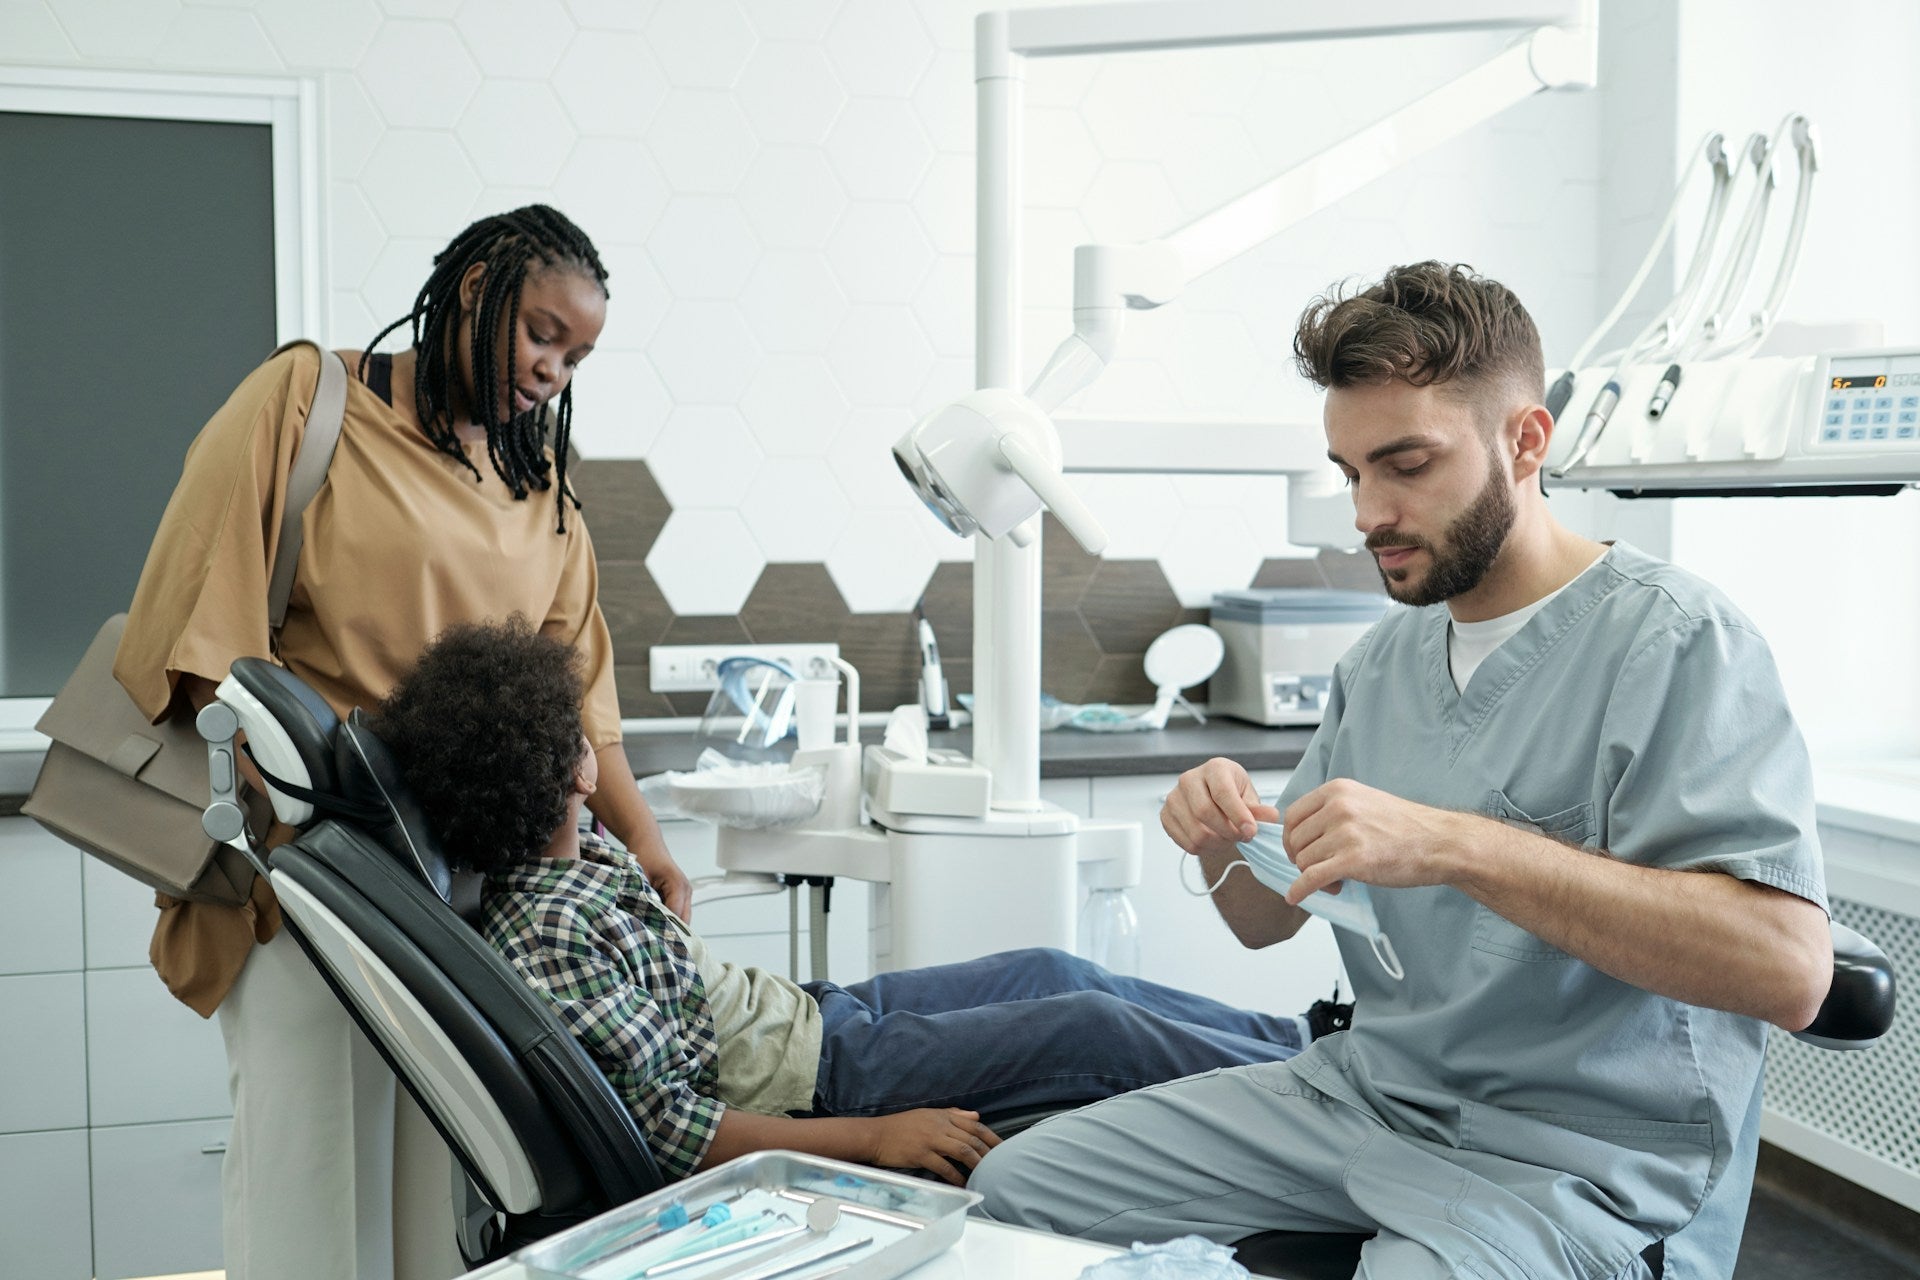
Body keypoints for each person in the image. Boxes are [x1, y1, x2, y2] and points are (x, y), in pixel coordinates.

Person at [971, 262, 1832, 1279]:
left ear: (1525, 441)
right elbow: (1269, 916)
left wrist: (1458, 843)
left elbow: (1788, 969)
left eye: (1407, 463)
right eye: (1350, 472)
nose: (1368, 511)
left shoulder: (1680, 644)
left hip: (1570, 1162)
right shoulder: (1381, 665)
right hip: (1364, 1099)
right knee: (1009, 1194)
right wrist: (1219, 839)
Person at [114, 206, 691, 1280]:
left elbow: (578, 692)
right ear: (474, 287)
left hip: (470, 890)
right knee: (313, 1186)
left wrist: (648, 845)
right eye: (541, 333)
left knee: (447, 1199)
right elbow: (208, 614)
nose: (554, 369)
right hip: (316, 870)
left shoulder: (538, 480)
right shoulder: (305, 403)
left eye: (577, 355)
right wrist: (281, 816)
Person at [371, 617, 1340, 1187]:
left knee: (1059, 970)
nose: (599, 748)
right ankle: (1329, 1086)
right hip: (828, 1081)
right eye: (583, 733)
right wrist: (877, 1136)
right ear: (564, 764)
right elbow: (675, 1130)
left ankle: (1312, 1038)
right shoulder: (553, 931)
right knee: (1094, 1031)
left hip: (818, 1017)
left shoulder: (575, 865)